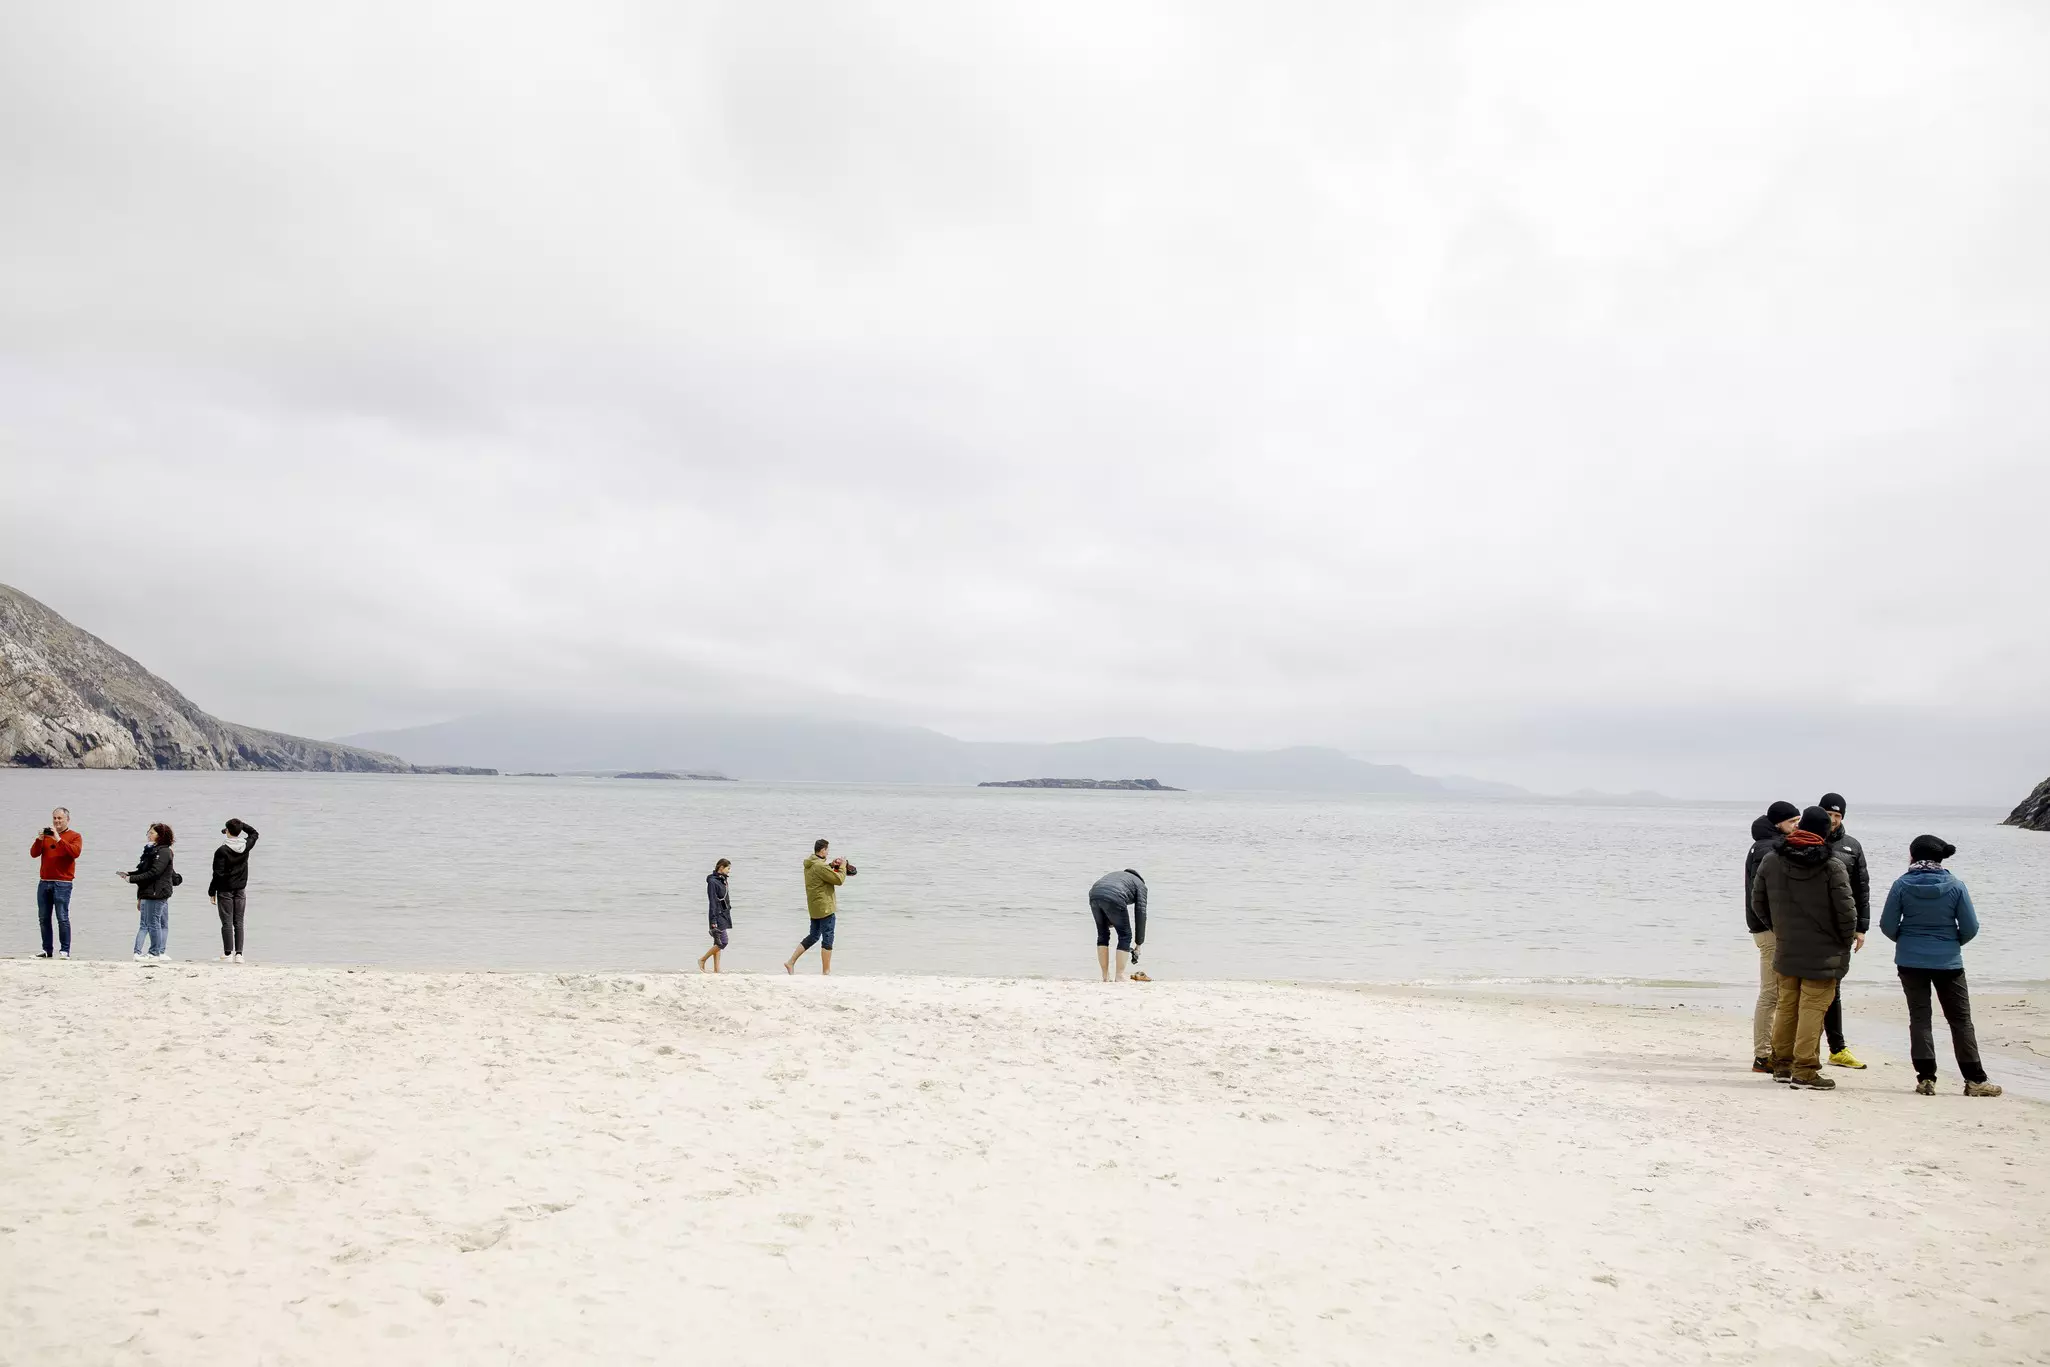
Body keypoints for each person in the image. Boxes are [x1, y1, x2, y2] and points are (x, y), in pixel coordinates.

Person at [1880, 835, 2002, 1097]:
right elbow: (1971, 927)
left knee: (1920, 1018)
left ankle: (1926, 1079)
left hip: (1910, 960)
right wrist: (1951, 942)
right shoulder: (1956, 886)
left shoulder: (1901, 885)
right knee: (1960, 1021)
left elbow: (1887, 925)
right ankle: (1975, 1080)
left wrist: (1907, 939)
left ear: (1912, 856)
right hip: (1948, 962)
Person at [1751, 806, 1856, 1089]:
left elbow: (1757, 903)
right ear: (1824, 832)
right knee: (1812, 1008)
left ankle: (1782, 1065)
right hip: (1823, 950)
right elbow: (1847, 913)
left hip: (1787, 946)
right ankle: (1805, 1070)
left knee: (1787, 1006)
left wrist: (1779, 929)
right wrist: (1843, 941)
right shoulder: (1832, 865)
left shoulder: (1772, 859)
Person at [1742, 801, 1800, 1071]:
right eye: (1792, 822)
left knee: (1774, 992)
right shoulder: (1768, 849)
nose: (1796, 826)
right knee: (1771, 993)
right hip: (1768, 930)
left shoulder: (1765, 844)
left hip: (1764, 927)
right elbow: (1762, 895)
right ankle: (1762, 1055)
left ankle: (1769, 1052)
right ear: (1778, 823)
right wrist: (1776, 926)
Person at [1816, 792, 1870, 1069]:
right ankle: (1806, 1047)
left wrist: (1862, 928)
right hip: (1812, 927)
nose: (1833, 820)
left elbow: (1861, 889)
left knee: (1833, 988)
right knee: (1807, 988)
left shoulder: (1852, 847)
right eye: (1829, 815)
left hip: (1841, 928)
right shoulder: (1807, 841)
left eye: (1838, 816)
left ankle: (1837, 1049)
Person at [785, 840, 854, 975]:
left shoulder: (810, 864)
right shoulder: (820, 866)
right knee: (828, 937)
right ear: (822, 850)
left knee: (814, 935)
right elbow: (839, 880)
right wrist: (843, 866)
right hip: (825, 907)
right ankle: (826, 971)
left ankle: (790, 962)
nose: (828, 853)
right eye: (827, 850)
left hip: (814, 907)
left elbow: (821, 872)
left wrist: (831, 865)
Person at [118, 822, 179, 962]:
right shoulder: (152, 851)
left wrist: (131, 879)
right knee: (152, 923)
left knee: (154, 923)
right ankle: (153, 952)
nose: (149, 835)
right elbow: (145, 870)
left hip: (158, 892)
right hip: (150, 891)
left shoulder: (164, 851)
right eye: (149, 832)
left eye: (152, 833)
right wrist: (129, 874)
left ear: (160, 836)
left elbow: (155, 872)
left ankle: (154, 953)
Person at [30, 806, 83, 959]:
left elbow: (74, 853)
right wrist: (39, 839)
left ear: (67, 820)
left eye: (60, 818)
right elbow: (34, 854)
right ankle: (46, 950)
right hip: (44, 882)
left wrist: (58, 839)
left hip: (62, 883)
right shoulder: (47, 837)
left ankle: (64, 950)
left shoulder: (75, 836)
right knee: (43, 918)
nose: (57, 821)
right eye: (55, 818)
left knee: (62, 917)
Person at [207, 818, 260, 962]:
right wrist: (241, 825)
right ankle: (239, 954)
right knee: (239, 921)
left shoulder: (222, 850)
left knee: (227, 922)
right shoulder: (246, 845)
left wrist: (212, 892)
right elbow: (254, 833)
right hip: (240, 888)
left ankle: (228, 953)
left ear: (227, 831)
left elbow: (217, 874)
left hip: (225, 889)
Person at [1088, 869, 1148, 982]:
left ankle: (1105, 976)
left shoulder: (1119, 876)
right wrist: (1139, 943)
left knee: (1103, 934)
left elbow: (1107, 898)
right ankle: (1119, 976)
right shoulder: (1141, 885)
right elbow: (1141, 913)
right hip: (1114, 896)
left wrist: (1111, 920)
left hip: (1094, 894)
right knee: (1125, 935)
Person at [698, 858, 733, 972]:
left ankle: (716, 970)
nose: (729, 871)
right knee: (723, 942)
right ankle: (702, 960)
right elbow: (712, 901)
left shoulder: (723, 880)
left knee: (717, 942)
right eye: (728, 868)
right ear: (721, 868)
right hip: (717, 915)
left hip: (724, 914)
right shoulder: (713, 882)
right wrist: (713, 921)